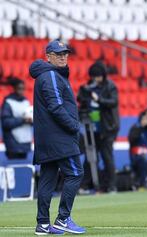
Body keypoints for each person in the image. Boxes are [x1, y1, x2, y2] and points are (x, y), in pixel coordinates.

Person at [29, 39, 85, 235]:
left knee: (47, 179)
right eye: (58, 54)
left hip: (47, 137)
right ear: (49, 56)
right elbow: (55, 105)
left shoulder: (49, 74)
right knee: (75, 173)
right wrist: (73, 126)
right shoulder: (51, 75)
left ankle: (43, 224)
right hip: (59, 137)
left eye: (65, 53)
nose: (63, 57)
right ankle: (62, 219)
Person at [78, 62, 120, 193]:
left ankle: (111, 185)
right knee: (90, 156)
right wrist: (84, 95)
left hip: (108, 128)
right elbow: (80, 100)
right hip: (91, 126)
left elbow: (113, 102)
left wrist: (99, 99)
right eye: (94, 77)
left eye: (98, 77)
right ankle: (85, 185)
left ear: (103, 76)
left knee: (107, 156)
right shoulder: (88, 86)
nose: (96, 79)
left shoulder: (110, 86)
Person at [1, 78, 32, 160]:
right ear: (14, 89)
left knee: (23, 169)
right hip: (13, 143)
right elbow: (6, 123)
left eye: (23, 89)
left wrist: (31, 120)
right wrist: (23, 120)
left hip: (25, 142)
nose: (21, 91)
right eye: (19, 88)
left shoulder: (26, 102)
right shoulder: (8, 102)